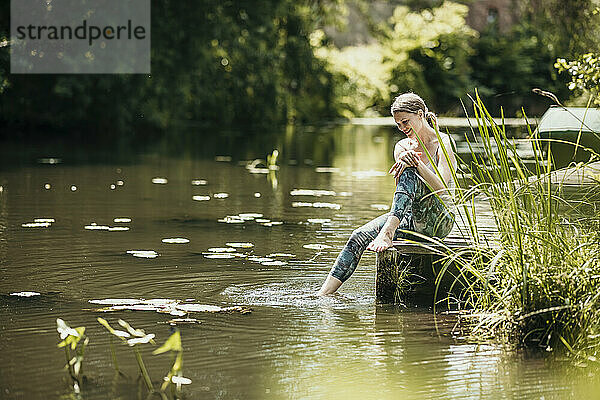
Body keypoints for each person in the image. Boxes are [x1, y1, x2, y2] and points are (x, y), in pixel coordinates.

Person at [317, 92, 457, 295]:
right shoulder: (401, 147)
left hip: (439, 220)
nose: (402, 128)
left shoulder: (442, 142)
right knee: (358, 236)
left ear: (420, 114)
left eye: (405, 122)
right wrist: (410, 162)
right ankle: (324, 294)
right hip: (411, 219)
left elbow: (442, 188)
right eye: (398, 124)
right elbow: (404, 193)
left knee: (410, 168)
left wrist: (418, 164)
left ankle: (388, 232)